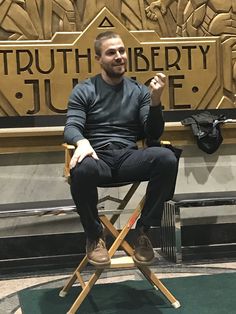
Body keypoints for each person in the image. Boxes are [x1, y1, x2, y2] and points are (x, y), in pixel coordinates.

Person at [64, 31, 178, 267]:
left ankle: (144, 233)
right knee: (80, 169)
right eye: (111, 52)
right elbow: (72, 126)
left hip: (129, 157)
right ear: (98, 58)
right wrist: (82, 142)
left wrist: (155, 101)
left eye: (122, 51)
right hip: (98, 159)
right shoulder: (84, 90)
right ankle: (95, 236)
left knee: (167, 158)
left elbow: (153, 134)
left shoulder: (139, 91)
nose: (119, 56)